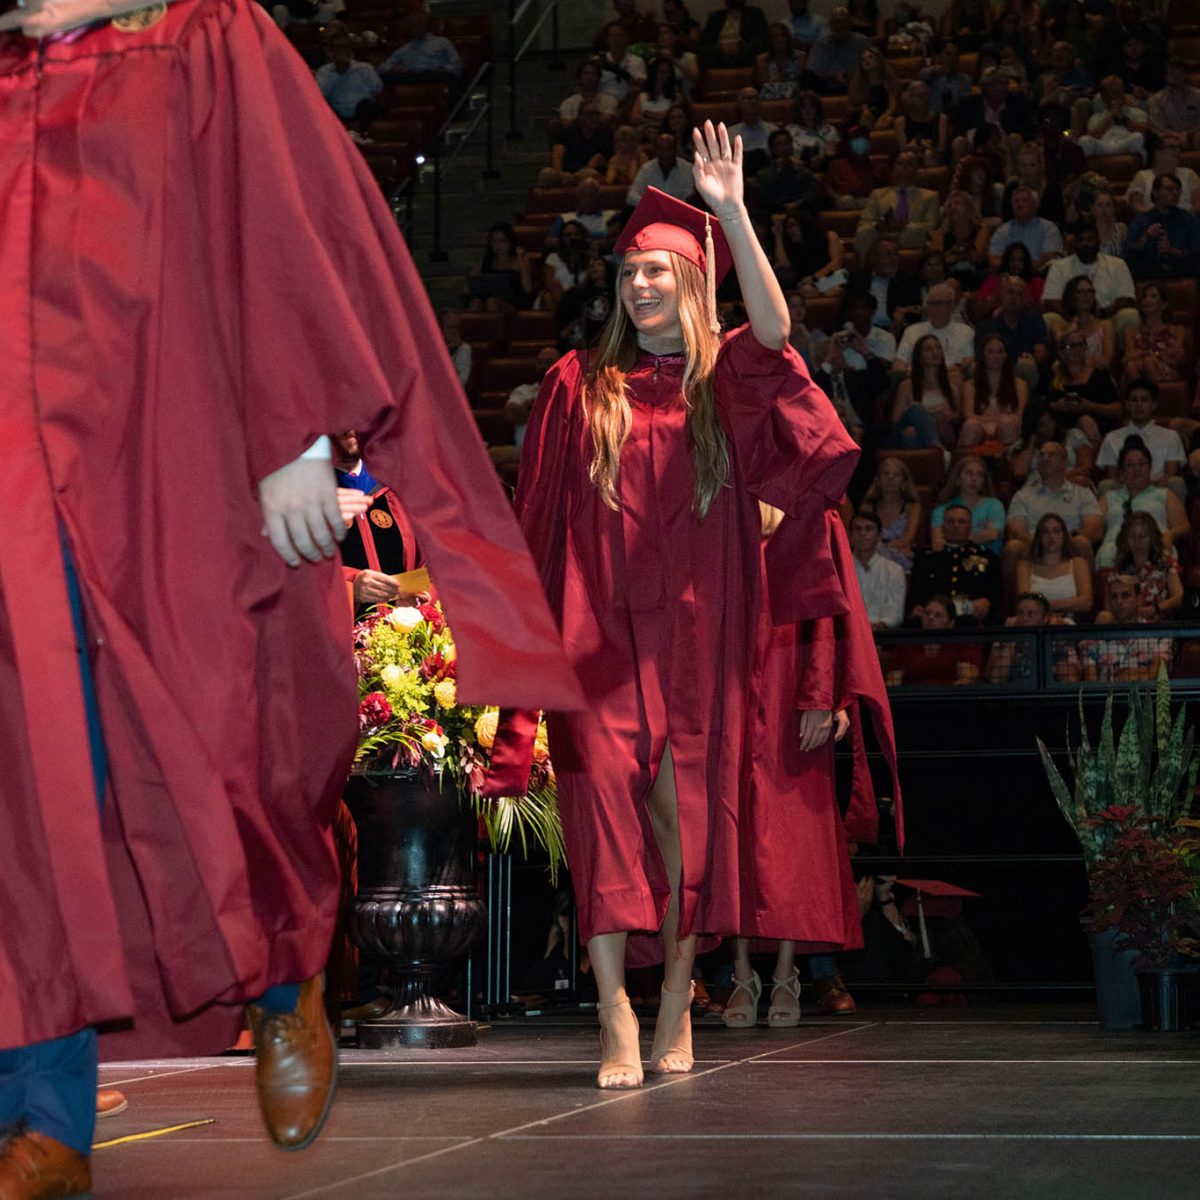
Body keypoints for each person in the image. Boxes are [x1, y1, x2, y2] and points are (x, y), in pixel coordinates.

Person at [0, 0, 583, 1188]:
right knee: (28, 788)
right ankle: (46, 1118)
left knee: (222, 741)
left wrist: (304, 434)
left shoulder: (207, 35)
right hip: (16, 481)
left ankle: (284, 978)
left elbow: (292, 231)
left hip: (179, 465)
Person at [481, 126, 882, 1092]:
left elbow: (780, 336)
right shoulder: (577, 386)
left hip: (699, 639)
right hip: (597, 636)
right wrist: (518, 665)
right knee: (598, 815)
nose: (639, 286)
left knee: (684, 824)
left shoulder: (724, 384)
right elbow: (537, 525)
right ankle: (616, 1007)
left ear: (694, 283)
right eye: (628, 273)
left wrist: (733, 211)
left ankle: (675, 1002)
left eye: (658, 270)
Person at [1096, 437, 1190, 567]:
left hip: (1154, 545)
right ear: (1122, 471)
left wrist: (1169, 534)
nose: (1136, 469)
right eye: (1130, 465)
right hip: (1114, 549)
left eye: (1141, 464)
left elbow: (1184, 526)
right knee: (1106, 553)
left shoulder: (1164, 494)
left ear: (1150, 467)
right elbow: (1095, 527)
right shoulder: (1109, 497)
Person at [1005, 439, 1103, 563]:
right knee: (1013, 547)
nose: (1045, 458)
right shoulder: (1022, 495)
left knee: (1082, 543)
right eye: (1041, 454)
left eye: (1051, 455)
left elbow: (1095, 528)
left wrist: (1065, 543)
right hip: (1034, 549)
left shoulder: (1083, 493)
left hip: (1070, 546)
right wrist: (1042, 546)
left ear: (1064, 463)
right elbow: (1016, 531)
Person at [1041, 218, 1137, 343]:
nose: (1086, 244)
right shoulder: (1059, 266)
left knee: (1130, 315)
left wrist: (1104, 313)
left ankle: (1127, 357)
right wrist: (1076, 317)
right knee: (1049, 318)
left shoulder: (1117, 264)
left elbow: (1127, 298)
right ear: (1075, 243)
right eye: (1081, 240)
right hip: (1070, 319)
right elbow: (1051, 301)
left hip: (1107, 317)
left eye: (1090, 239)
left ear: (1098, 241)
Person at [909, 505, 1004, 623]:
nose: (955, 525)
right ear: (943, 528)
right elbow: (915, 596)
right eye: (950, 521)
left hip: (973, 620)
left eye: (962, 522)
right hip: (933, 621)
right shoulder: (926, 560)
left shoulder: (988, 557)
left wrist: (988, 601)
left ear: (970, 528)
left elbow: (997, 591)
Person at [1096, 378, 1186, 496]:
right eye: (1134, 400)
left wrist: (1147, 485)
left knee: (1177, 482)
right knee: (1106, 485)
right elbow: (1113, 476)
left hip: (1158, 490)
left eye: (1144, 400)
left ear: (1153, 405)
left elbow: (1170, 474)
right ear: (1128, 404)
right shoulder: (1112, 437)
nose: (1138, 405)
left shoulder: (1170, 436)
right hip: (1125, 491)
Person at [1081, 575, 1175, 681]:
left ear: (1138, 599)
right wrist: (1139, 672)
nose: (1119, 601)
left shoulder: (1159, 635)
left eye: (1125, 595)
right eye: (1114, 596)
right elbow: (1090, 683)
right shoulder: (1093, 639)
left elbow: (1157, 674)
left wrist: (1121, 677)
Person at [854, 149, 941, 261]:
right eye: (900, 163)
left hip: (910, 236)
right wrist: (878, 225)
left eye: (909, 163)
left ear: (917, 169)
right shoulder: (878, 194)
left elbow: (932, 225)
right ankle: (865, 273)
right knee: (864, 232)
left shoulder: (931, 196)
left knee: (915, 232)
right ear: (894, 169)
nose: (904, 167)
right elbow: (864, 221)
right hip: (883, 236)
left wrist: (906, 225)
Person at [885, 595, 984, 684]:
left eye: (938, 615)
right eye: (927, 613)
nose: (931, 618)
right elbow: (893, 681)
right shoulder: (907, 644)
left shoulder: (961, 644)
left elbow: (968, 678)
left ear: (951, 623)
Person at [975, 273, 1049, 391]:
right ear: (1000, 295)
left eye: (1019, 294)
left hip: (1025, 373)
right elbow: (980, 357)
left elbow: (1040, 353)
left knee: (1026, 367)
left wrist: (1031, 358)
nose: (1014, 297)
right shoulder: (986, 326)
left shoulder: (1035, 321)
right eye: (1010, 292)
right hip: (996, 371)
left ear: (1025, 299)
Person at [1014, 514, 1094, 621]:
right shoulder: (1025, 566)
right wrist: (1067, 604)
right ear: (1039, 537)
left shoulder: (1078, 563)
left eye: (1056, 531)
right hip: (1033, 625)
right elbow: (1025, 605)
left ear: (1064, 535)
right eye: (1045, 532)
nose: (1051, 536)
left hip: (1066, 625)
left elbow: (1086, 602)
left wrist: (1047, 606)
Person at [889, 333, 962, 449]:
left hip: (941, 433)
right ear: (919, 357)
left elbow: (958, 417)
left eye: (938, 348)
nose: (935, 352)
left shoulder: (951, 388)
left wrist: (947, 416)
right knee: (915, 413)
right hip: (910, 432)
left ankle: (936, 448)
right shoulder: (907, 386)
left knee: (914, 433)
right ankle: (937, 449)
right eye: (929, 349)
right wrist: (927, 416)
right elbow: (896, 421)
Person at [959, 333, 1029, 453]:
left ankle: (1007, 468)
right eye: (990, 352)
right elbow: (969, 415)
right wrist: (995, 421)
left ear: (1006, 355)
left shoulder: (1020, 385)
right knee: (971, 425)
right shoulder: (970, 385)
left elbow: (1018, 416)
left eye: (1000, 352)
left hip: (1009, 429)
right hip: (980, 429)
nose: (995, 356)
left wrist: (996, 421)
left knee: (1007, 423)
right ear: (983, 355)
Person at [1122, 173, 1200, 277]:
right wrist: (1144, 239)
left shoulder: (1189, 220)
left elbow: (1197, 252)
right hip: (1148, 276)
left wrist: (1173, 251)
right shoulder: (1141, 221)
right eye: (1169, 189)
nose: (1175, 192)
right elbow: (1128, 256)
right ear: (1155, 192)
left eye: (1178, 190)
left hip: (1182, 274)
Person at [1112, 510, 1184, 621]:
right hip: (1126, 624)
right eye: (1132, 537)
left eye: (1142, 537)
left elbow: (1178, 597)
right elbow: (1109, 608)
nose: (1137, 542)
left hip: (1157, 624)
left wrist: (1155, 608)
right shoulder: (1120, 567)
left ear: (1152, 538)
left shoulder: (1165, 562)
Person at [931, 456, 1006, 558]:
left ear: (984, 481)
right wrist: (979, 536)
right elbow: (937, 543)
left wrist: (956, 538)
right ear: (958, 478)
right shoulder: (943, 509)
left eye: (979, 475)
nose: (974, 479)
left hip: (987, 560)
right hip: (952, 560)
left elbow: (993, 534)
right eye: (969, 473)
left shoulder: (994, 505)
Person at [844, 235, 922, 333]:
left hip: (894, 331)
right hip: (861, 330)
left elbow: (916, 312)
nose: (893, 259)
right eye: (888, 254)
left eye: (896, 254)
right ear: (873, 258)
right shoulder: (858, 279)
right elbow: (846, 311)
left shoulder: (908, 281)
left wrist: (903, 319)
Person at [893, 284, 975, 375]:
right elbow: (899, 362)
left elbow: (968, 360)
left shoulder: (965, 331)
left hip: (950, 378)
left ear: (952, 306)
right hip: (917, 378)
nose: (936, 308)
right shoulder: (912, 331)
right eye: (932, 303)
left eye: (941, 303)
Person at [860, 456, 923, 573]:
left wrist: (883, 548)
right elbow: (863, 536)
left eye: (896, 475)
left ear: (904, 482)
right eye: (886, 473)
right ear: (878, 480)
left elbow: (908, 537)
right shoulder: (868, 507)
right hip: (873, 557)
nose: (890, 478)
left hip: (902, 558)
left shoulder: (912, 507)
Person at [1120, 283, 1187, 385]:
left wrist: (1146, 356)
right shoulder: (1131, 332)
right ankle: (1141, 397)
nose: (1147, 300)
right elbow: (1128, 357)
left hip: (1165, 371)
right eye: (1144, 297)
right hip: (1136, 369)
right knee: (1131, 366)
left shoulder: (1176, 330)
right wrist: (1158, 354)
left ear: (1163, 304)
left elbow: (1177, 357)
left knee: (1148, 363)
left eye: (1153, 296)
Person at [850, 510, 907, 629]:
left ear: (879, 536)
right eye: (857, 529)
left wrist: (881, 626)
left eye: (868, 529)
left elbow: (895, 612)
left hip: (883, 635)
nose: (862, 533)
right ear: (850, 535)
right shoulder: (839, 570)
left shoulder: (894, 571)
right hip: (849, 634)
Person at [541, 100, 615, 188]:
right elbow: (557, 154)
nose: (594, 117)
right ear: (580, 116)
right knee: (547, 173)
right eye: (590, 114)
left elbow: (597, 160)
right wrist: (559, 173)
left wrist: (575, 177)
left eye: (596, 114)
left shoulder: (604, 135)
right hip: (565, 171)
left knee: (588, 175)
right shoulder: (567, 132)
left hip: (588, 172)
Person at [985, 591, 1055, 684]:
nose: (1024, 618)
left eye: (1030, 614)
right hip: (1013, 694)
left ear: (1045, 618)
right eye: (1020, 613)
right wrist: (1011, 640)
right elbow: (996, 679)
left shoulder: (1056, 642)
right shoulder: (1002, 642)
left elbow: (1069, 679)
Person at [987, 186, 1063, 271]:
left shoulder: (1049, 228)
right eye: (1016, 202)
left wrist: (1023, 270)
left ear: (1035, 205)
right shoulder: (1002, 230)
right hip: (1007, 277)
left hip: (1038, 276)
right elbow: (994, 259)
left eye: (1024, 201)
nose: (1019, 204)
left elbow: (1050, 258)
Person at [378, 7, 462, 83]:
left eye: (419, 24)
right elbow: (382, 67)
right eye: (413, 25)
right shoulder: (404, 49)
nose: (415, 27)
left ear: (426, 25)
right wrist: (395, 69)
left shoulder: (443, 43)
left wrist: (442, 68)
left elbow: (457, 67)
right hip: (411, 79)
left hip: (435, 77)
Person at [771, 208, 843, 294]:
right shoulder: (794, 247)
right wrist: (778, 236)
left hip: (832, 277)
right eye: (788, 227)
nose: (790, 230)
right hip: (807, 285)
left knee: (841, 276)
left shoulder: (829, 236)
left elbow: (836, 263)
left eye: (794, 225)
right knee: (805, 289)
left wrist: (814, 278)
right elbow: (783, 264)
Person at [802, 6, 871, 95]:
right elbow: (813, 70)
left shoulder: (862, 42)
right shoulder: (821, 43)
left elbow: (870, 67)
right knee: (806, 76)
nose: (839, 26)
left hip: (855, 86)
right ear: (830, 25)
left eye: (842, 22)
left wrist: (850, 77)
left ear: (849, 23)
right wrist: (833, 77)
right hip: (827, 86)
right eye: (835, 22)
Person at [970, 240, 1043, 323]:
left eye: (1020, 260)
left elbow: (1042, 310)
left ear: (1026, 262)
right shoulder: (992, 280)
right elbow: (978, 311)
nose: (1016, 264)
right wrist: (997, 292)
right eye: (1012, 260)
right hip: (994, 326)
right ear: (1006, 261)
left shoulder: (1037, 283)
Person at [930, 190, 990, 291]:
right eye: (949, 205)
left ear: (969, 209)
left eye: (957, 203)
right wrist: (962, 253)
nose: (952, 207)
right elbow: (937, 259)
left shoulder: (982, 229)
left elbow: (978, 255)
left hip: (977, 277)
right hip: (948, 279)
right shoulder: (940, 233)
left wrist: (954, 254)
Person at [315, 31, 382, 121]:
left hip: (363, 110)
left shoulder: (365, 67)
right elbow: (319, 95)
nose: (341, 51)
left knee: (368, 105)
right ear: (331, 51)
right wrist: (337, 73)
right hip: (337, 113)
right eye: (337, 47)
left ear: (350, 50)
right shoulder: (324, 71)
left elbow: (378, 89)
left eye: (345, 47)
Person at [1125, 132, 1200, 213]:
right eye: (1172, 147)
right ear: (1157, 152)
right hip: (1154, 222)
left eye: (1179, 147)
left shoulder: (1189, 174)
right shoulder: (1142, 176)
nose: (1178, 151)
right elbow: (1136, 205)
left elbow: (1198, 205)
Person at [752, 129, 821, 216]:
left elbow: (813, 196)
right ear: (773, 150)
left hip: (799, 214)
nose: (784, 147)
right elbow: (762, 199)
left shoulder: (804, 173)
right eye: (779, 145)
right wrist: (778, 173)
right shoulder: (763, 174)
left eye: (787, 144)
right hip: (773, 215)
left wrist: (797, 204)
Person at [1077, 74, 1147, 157]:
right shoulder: (1096, 116)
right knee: (1084, 140)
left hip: (1125, 143)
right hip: (1104, 145)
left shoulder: (1137, 112)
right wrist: (1110, 116)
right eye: (1113, 91)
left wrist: (1123, 118)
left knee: (1138, 138)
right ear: (1104, 97)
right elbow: (1092, 135)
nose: (1118, 95)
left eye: (1120, 91)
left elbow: (1145, 132)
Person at [467, 223, 532, 313]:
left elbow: (528, 289)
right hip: (485, 300)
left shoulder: (519, 260)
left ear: (510, 242)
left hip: (512, 303)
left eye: (502, 241)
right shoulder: (484, 261)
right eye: (494, 241)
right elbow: (471, 283)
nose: (498, 245)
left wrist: (522, 262)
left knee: (492, 302)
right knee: (476, 303)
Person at [1056, 276, 1115, 373]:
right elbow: (1062, 355)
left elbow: (1106, 362)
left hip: (1099, 375)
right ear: (1071, 296)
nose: (1087, 295)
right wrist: (1071, 329)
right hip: (1071, 376)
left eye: (1091, 291)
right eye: (1081, 292)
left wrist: (1079, 359)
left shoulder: (1105, 325)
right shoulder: (1061, 326)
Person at [626, 131, 694, 205]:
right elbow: (631, 197)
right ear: (655, 150)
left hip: (678, 214)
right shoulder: (647, 169)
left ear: (676, 149)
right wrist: (654, 205)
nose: (666, 153)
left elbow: (689, 199)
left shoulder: (688, 169)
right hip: (651, 212)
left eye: (669, 149)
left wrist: (669, 207)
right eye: (662, 149)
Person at [697, 0, 771, 67]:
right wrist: (721, 48)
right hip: (718, 53)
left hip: (744, 52)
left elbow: (761, 37)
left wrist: (740, 46)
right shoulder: (716, 17)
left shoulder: (754, 14)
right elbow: (705, 40)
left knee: (755, 46)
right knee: (705, 51)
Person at [1148, 57, 1200, 147]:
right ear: (1165, 76)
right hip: (1170, 137)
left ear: (1185, 74)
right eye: (1172, 71)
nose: (1176, 74)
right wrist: (1178, 136)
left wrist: (1189, 135)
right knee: (1166, 143)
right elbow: (1158, 128)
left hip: (1195, 135)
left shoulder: (1198, 95)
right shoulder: (1155, 100)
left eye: (1179, 70)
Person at [895, 79, 949, 165]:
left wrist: (925, 148)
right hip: (912, 158)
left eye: (927, 95)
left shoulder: (941, 119)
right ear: (911, 98)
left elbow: (941, 149)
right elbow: (903, 149)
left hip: (935, 157)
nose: (925, 99)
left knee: (928, 155)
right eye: (921, 96)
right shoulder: (901, 122)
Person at [728, 86, 779, 175]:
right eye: (746, 99)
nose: (752, 102)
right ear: (739, 103)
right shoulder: (730, 132)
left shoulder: (773, 130)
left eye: (755, 98)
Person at [846, 45, 900, 129]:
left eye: (870, 57)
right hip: (866, 115)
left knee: (888, 121)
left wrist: (882, 118)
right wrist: (862, 108)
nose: (866, 61)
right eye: (863, 59)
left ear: (878, 60)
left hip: (886, 114)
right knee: (866, 115)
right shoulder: (858, 85)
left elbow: (892, 106)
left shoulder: (888, 81)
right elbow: (854, 106)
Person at [785, 89, 841, 169]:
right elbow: (784, 152)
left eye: (811, 106)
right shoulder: (790, 129)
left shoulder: (829, 129)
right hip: (796, 167)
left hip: (822, 165)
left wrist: (822, 157)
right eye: (803, 107)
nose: (808, 110)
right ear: (799, 110)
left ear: (817, 109)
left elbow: (831, 152)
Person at [920, 40, 973, 118]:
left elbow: (964, 105)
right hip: (933, 118)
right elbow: (921, 75)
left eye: (955, 55)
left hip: (955, 119)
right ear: (941, 56)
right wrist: (932, 70)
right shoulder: (931, 75)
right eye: (948, 54)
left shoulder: (965, 80)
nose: (952, 58)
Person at [755, 20, 805, 99]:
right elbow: (763, 84)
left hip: (795, 96)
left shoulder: (800, 56)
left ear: (788, 38)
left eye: (783, 35)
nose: (779, 39)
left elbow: (801, 81)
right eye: (774, 36)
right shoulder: (762, 59)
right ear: (769, 40)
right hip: (770, 96)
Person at [605, 123, 648, 187]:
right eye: (618, 141)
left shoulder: (641, 158)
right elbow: (609, 181)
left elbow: (637, 181)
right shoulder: (614, 159)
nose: (620, 144)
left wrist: (634, 161)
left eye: (624, 140)